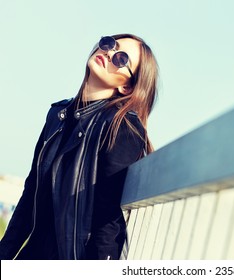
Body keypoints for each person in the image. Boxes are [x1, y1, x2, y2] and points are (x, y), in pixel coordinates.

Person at [0, 34, 158, 260]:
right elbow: (31, 193)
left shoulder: (121, 126)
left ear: (126, 86)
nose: (110, 53)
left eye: (122, 59)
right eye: (110, 45)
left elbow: (108, 220)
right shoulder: (58, 115)